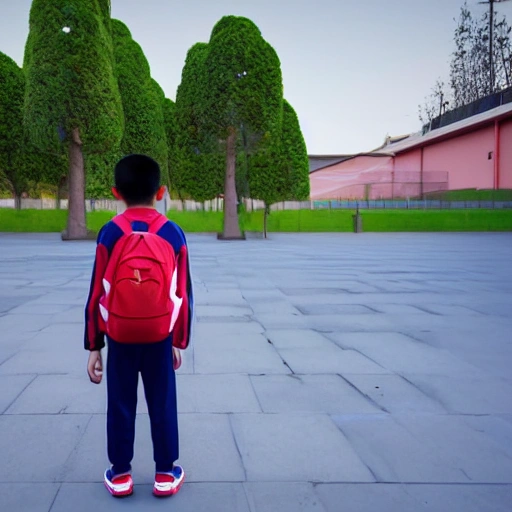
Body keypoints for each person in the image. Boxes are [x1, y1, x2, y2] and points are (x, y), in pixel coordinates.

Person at [84, 154, 193, 498]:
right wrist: (178, 341)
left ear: (117, 192)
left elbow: (95, 291)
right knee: (162, 402)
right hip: (160, 336)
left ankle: (120, 474)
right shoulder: (173, 233)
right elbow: (183, 294)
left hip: (120, 336)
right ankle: (165, 473)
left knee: (120, 402)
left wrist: (94, 347)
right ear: (160, 192)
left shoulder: (110, 233)